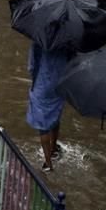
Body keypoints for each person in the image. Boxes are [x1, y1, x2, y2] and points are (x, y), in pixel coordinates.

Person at [26, 41, 72, 172]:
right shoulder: (67, 41)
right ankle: (53, 148)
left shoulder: (40, 40)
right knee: (55, 114)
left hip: (42, 83)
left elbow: (31, 65)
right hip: (60, 83)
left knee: (42, 126)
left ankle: (48, 162)